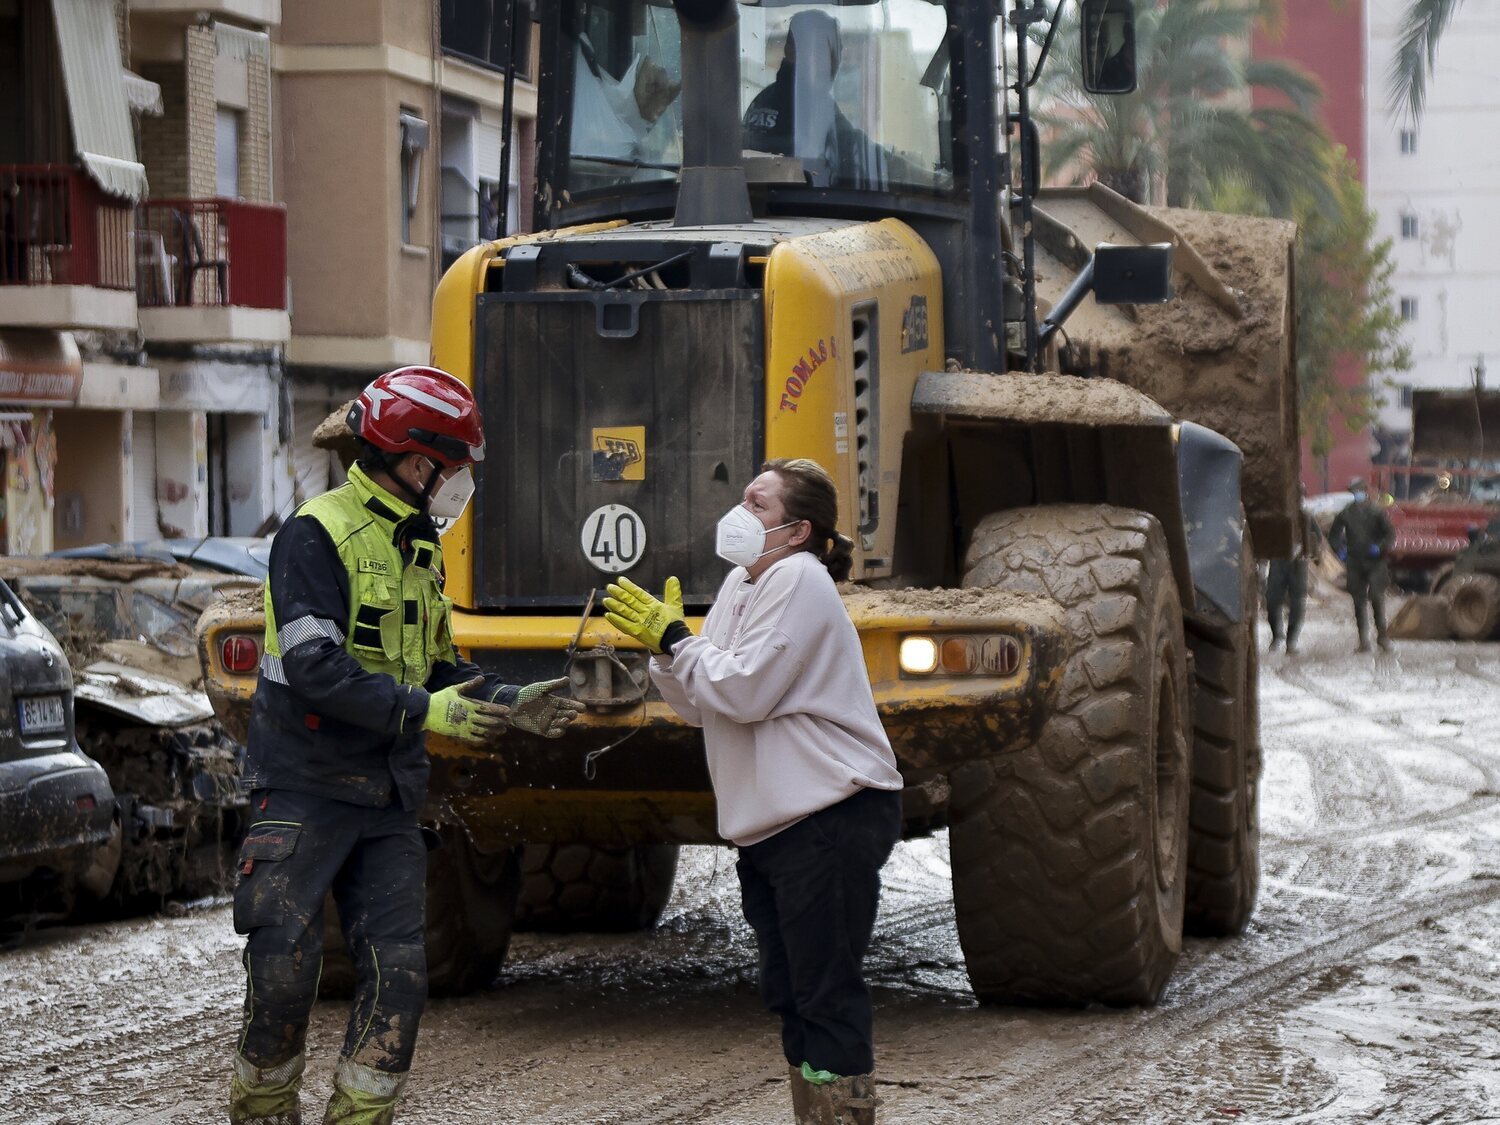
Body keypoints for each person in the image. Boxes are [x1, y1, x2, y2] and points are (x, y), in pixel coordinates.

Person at [228, 366, 583, 1125]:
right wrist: (429, 713)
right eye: (456, 468)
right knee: (283, 970)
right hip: (304, 785)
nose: (462, 484)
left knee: (400, 977)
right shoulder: (314, 535)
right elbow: (316, 668)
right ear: (417, 462)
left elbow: (440, 666)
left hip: (387, 796)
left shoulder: (421, 551)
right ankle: (263, 1109)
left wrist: (509, 702)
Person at [604, 458, 903, 1125]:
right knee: (794, 992)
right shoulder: (745, 583)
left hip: (828, 814)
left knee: (823, 991)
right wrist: (667, 652)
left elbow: (744, 688)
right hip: (777, 827)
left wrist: (680, 640)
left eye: (758, 505)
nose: (740, 514)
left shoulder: (799, 579)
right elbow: (705, 702)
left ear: (798, 530)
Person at [743, 10, 899, 190]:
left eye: (836, 51)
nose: (834, 62)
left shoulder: (766, 97)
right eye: (822, 50)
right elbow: (847, 143)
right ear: (791, 51)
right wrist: (897, 165)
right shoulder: (804, 101)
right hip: (800, 203)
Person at [1328, 476, 1396, 653]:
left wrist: (1380, 547)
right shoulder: (1347, 513)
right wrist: (1340, 551)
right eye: (1354, 491)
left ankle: (1382, 636)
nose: (1357, 494)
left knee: (1376, 597)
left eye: (1359, 491)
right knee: (1358, 602)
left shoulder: (1377, 512)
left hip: (1375, 563)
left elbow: (1389, 534)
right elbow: (1334, 534)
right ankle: (1363, 640)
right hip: (1355, 562)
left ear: (1365, 491)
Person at [1266, 484, 1320, 654]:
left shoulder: (1306, 517)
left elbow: (1316, 538)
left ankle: (1291, 640)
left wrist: (1309, 551)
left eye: (1300, 496)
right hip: (1278, 561)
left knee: (1297, 604)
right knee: (1273, 600)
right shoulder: (1277, 516)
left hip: (1298, 564)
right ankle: (1276, 636)